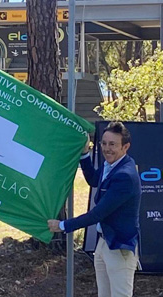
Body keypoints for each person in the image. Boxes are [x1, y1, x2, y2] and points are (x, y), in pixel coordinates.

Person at [48, 121, 141, 297]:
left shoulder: (125, 176)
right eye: (104, 143)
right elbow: (92, 179)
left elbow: (98, 214)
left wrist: (62, 226)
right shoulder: (112, 165)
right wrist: (84, 154)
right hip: (104, 243)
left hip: (119, 248)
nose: (107, 149)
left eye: (113, 144)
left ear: (125, 147)